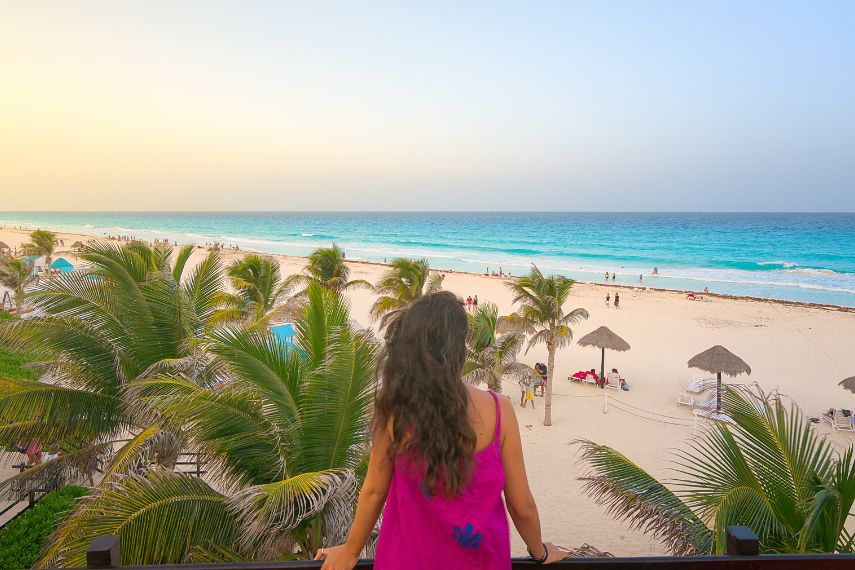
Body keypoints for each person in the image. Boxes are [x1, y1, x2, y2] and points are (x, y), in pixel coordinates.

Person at [317, 292, 567, 569]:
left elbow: (375, 491)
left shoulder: (395, 411)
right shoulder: (500, 411)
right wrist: (540, 551)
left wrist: (351, 551)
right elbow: (521, 506)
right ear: (458, 349)